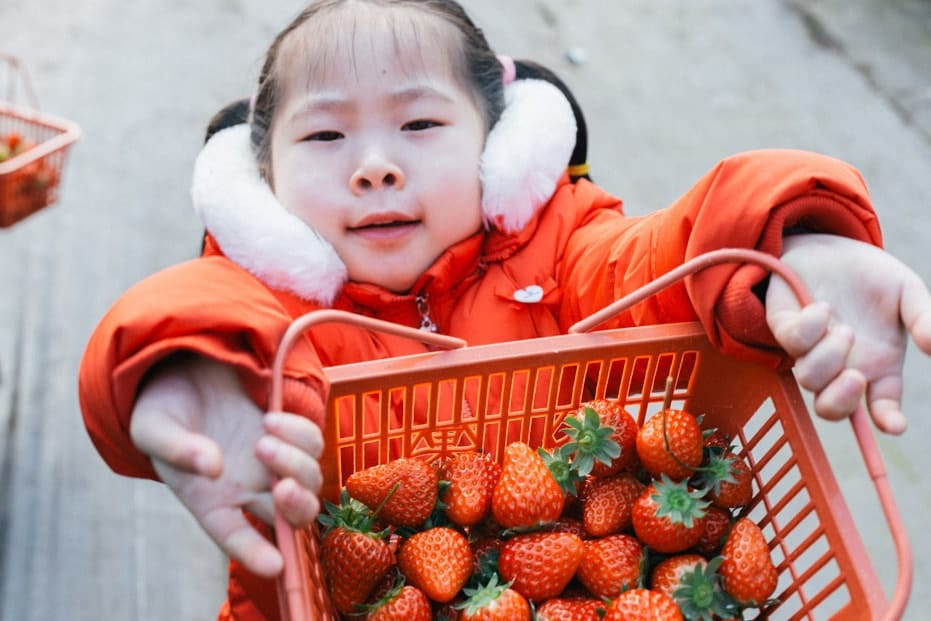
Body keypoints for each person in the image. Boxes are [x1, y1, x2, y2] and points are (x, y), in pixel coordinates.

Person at [77, 0, 931, 619]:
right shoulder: (265, 300)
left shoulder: (558, 245)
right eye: (326, 136)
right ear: (264, 181)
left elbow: (666, 255)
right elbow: (198, 310)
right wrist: (177, 364)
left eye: (418, 124)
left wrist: (788, 246)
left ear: (494, 148)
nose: (375, 165)